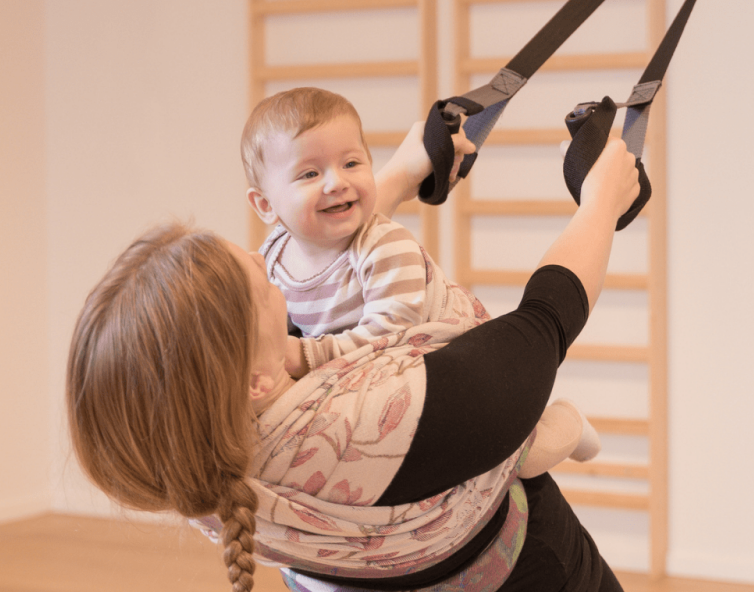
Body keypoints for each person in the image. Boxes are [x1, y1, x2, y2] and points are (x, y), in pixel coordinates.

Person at [65, 124, 643, 592]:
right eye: (265, 286)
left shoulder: (197, 457)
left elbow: (317, 273)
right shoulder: (390, 421)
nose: (277, 275)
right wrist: (600, 202)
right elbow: (545, 319)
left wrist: (395, 174)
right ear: (254, 379)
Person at [240, 87, 599, 478]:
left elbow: (390, 335)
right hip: (366, 372)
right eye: (310, 173)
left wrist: (303, 357)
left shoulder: (383, 246)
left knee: (516, 461)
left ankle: (564, 422)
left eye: (351, 163)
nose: (336, 182)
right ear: (265, 205)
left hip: (448, 360)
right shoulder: (273, 255)